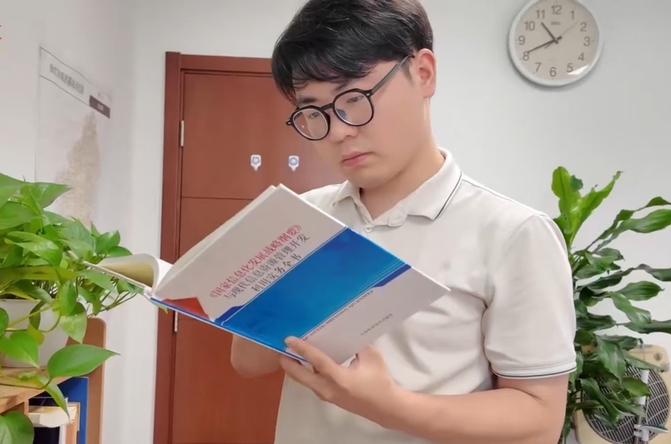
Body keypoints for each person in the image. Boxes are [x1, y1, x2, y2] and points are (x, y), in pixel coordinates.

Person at [230, 0, 577, 443]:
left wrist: (390, 407)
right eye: (315, 113)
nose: (338, 131)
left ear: (423, 73)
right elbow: (246, 363)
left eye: (354, 99)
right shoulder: (304, 217)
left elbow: (540, 419)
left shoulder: (513, 233)